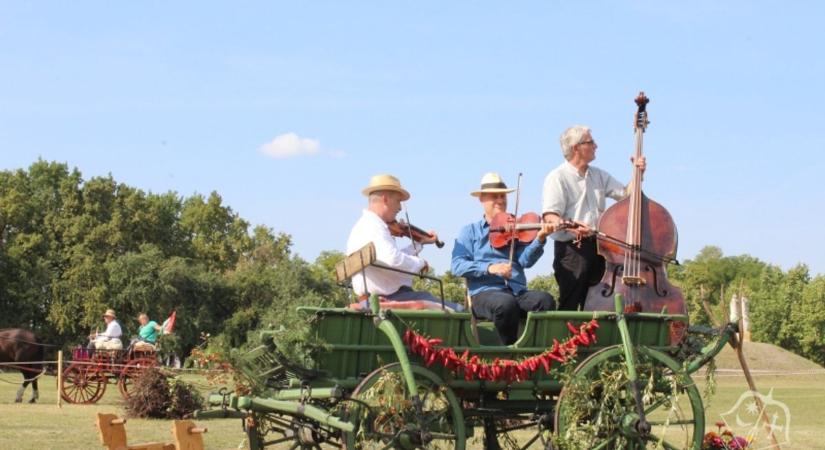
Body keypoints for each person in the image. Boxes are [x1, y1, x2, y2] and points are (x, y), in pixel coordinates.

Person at [542, 125, 646, 311]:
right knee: (571, 304)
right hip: (572, 250)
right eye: (591, 142)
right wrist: (572, 228)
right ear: (576, 148)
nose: (596, 145)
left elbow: (626, 196)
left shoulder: (598, 175)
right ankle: (567, 340)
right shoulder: (557, 177)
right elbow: (550, 216)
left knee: (598, 304)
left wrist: (637, 173)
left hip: (599, 248)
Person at [452, 173, 556, 345]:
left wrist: (541, 238)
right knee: (505, 304)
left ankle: (535, 354)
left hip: (517, 292)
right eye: (494, 196)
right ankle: (508, 355)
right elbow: (457, 265)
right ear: (482, 199)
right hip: (484, 294)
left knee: (545, 300)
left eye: (503, 196)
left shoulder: (515, 228)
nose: (500, 200)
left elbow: (525, 261)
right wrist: (490, 268)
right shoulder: (470, 231)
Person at [347, 174, 463, 310]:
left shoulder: (365, 225)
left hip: (383, 295)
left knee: (430, 297)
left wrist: (420, 244)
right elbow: (394, 260)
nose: (400, 208)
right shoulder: (374, 227)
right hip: (390, 296)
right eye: (398, 201)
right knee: (458, 310)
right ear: (385, 199)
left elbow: (388, 258)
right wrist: (420, 263)